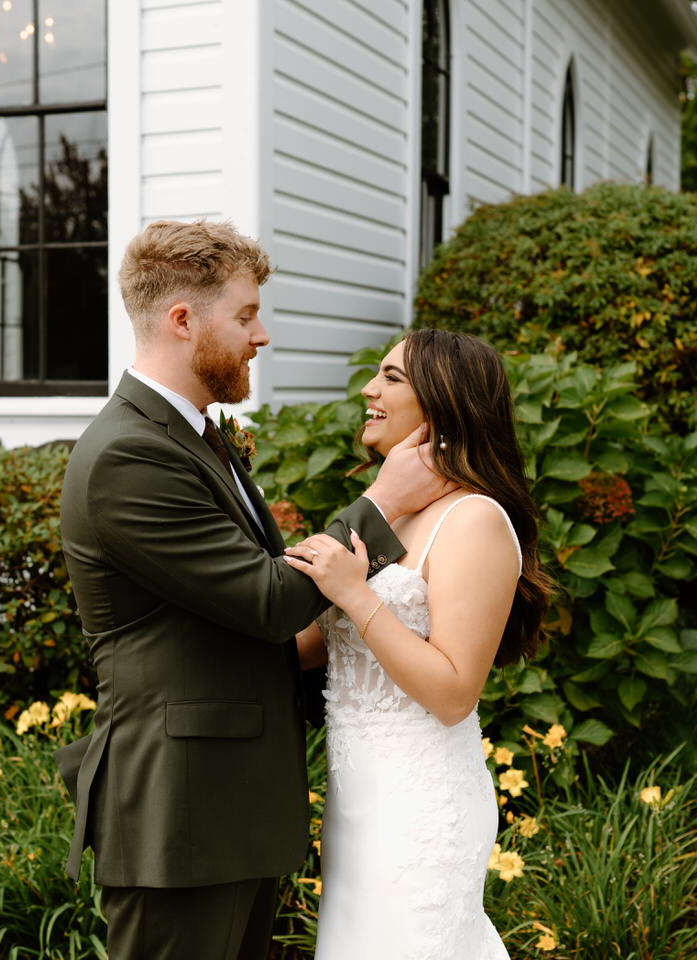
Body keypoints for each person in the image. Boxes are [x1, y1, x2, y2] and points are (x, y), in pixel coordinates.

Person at [55, 220, 452, 960]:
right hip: (180, 813)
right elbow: (270, 600)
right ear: (182, 320)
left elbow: (237, 619)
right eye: (244, 315)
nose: (260, 334)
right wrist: (384, 501)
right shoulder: (127, 456)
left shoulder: (194, 435)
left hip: (227, 808)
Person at [284, 327, 552, 960]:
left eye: (392, 379)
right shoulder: (392, 511)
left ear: (445, 403)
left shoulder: (475, 519)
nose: (369, 390)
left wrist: (356, 594)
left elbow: (455, 692)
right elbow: (302, 644)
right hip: (357, 805)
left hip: (420, 806)